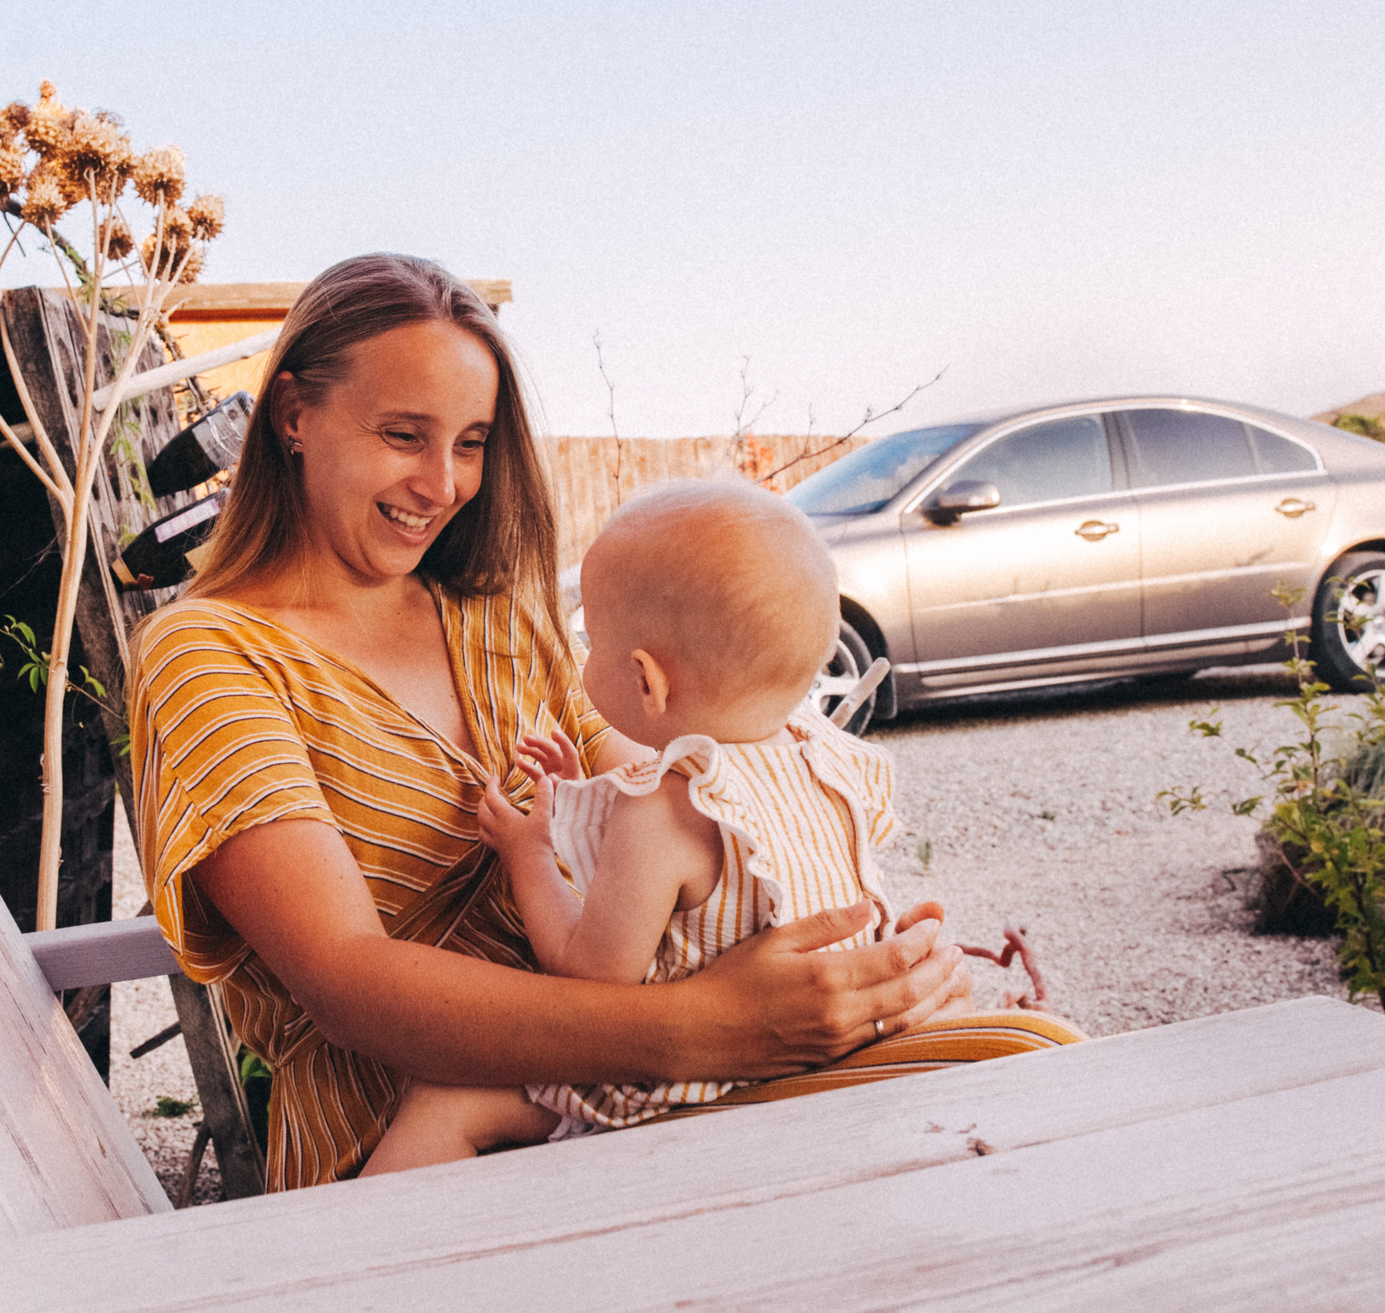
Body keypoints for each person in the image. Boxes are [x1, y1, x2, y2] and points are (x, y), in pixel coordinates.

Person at [130, 253, 1070, 1190]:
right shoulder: (209, 654)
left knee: (1031, 1062)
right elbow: (346, 980)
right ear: (292, 414)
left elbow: (686, 802)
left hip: (652, 1081)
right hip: (415, 1139)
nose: (443, 482)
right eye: (403, 434)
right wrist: (715, 1027)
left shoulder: (494, 615)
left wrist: (855, 961)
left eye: (470, 442)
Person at [360, 479, 1075, 1174]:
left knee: (444, 1101)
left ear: (646, 681)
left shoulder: (662, 811)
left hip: (706, 1083)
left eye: (592, 639)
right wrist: (579, 789)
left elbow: (590, 975)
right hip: (839, 1048)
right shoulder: (821, 756)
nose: (581, 657)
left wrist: (529, 853)